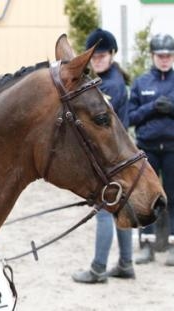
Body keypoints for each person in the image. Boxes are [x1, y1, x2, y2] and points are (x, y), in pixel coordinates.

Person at [72, 28, 135, 284]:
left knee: (104, 209)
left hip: (112, 156)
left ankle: (98, 268)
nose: (97, 60)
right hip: (121, 153)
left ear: (111, 55)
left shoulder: (110, 87)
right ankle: (126, 263)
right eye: (93, 56)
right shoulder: (113, 80)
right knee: (121, 207)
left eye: (102, 55)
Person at [129, 33, 174, 267]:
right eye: (160, 55)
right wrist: (152, 108)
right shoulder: (141, 82)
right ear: (152, 56)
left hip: (173, 150)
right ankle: (146, 245)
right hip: (148, 149)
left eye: (168, 55)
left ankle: (172, 246)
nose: (164, 59)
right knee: (146, 198)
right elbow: (130, 116)